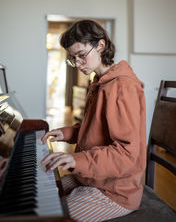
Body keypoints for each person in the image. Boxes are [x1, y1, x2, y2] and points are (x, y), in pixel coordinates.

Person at [42, 19, 146, 222]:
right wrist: (67, 133)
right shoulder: (100, 83)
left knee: (50, 215)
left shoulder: (122, 87)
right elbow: (96, 129)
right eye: (73, 58)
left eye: (81, 55)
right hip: (93, 178)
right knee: (44, 192)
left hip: (115, 191)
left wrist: (76, 160)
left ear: (100, 45)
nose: (78, 64)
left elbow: (126, 153)